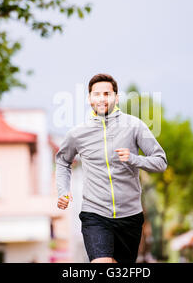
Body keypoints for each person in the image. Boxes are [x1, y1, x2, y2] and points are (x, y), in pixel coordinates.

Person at [56, 73, 167, 263]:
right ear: (89, 98)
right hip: (95, 214)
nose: (102, 98)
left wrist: (134, 159)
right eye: (96, 94)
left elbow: (160, 162)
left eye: (107, 94)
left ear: (116, 97)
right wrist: (63, 191)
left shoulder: (135, 126)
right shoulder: (78, 134)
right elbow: (62, 161)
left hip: (130, 216)